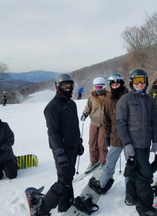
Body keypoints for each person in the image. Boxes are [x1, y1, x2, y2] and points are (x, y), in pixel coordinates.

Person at [34, 74, 86, 215]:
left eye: (70, 85)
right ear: (57, 87)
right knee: (63, 181)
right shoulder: (52, 107)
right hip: (62, 149)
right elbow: (53, 132)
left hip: (73, 146)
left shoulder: (72, 104)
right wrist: (59, 152)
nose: (68, 88)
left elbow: (75, 126)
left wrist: (79, 142)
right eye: (64, 86)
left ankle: (65, 205)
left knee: (68, 178)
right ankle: (41, 209)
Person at [116, 68, 157, 215]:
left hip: (146, 143)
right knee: (145, 175)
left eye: (143, 80)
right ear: (131, 82)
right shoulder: (125, 100)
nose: (140, 83)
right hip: (133, 144)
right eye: (137, 81)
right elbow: (120, 123)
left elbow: (154, 121)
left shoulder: (150, 100)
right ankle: (144, 207)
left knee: (136, 172)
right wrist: (127, 144)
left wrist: (155, 140)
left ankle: (132, 197)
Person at [88, 74, 126, 197]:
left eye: (117, 84)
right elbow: (106, 119)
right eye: (113, 85)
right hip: (113, 135)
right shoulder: (106, 100)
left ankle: (131, 190)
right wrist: (107, 135)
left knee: (131, 165)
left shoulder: (127, 97)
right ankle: (102, 182)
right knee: (109, 162)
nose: (115, 87)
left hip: (129, 138)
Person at [81, 77, 108, 171]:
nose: (98, 89)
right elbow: (88, 108)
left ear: (104, 86)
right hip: (94, 122)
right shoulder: (92, 96)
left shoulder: (108, 96)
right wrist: (85, 114)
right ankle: (93, 161)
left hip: (104, 123)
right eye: (96, 87)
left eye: (100, 87)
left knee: (102, 143)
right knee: (92, 143)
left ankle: (103, 161)